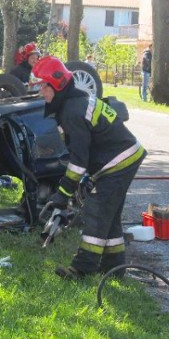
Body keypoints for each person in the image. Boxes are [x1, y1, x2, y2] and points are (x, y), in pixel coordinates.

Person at [31, 57, 146, 280]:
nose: (41, 92)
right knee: (109, 216)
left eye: (44, 86)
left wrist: (62, 194)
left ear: (57, 85)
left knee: (95, 211)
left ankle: (82, 268)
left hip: (119, 161)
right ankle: (114, 267)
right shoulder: (73, 103)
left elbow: (78, 161)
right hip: (122, 158)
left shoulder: (72, 111)